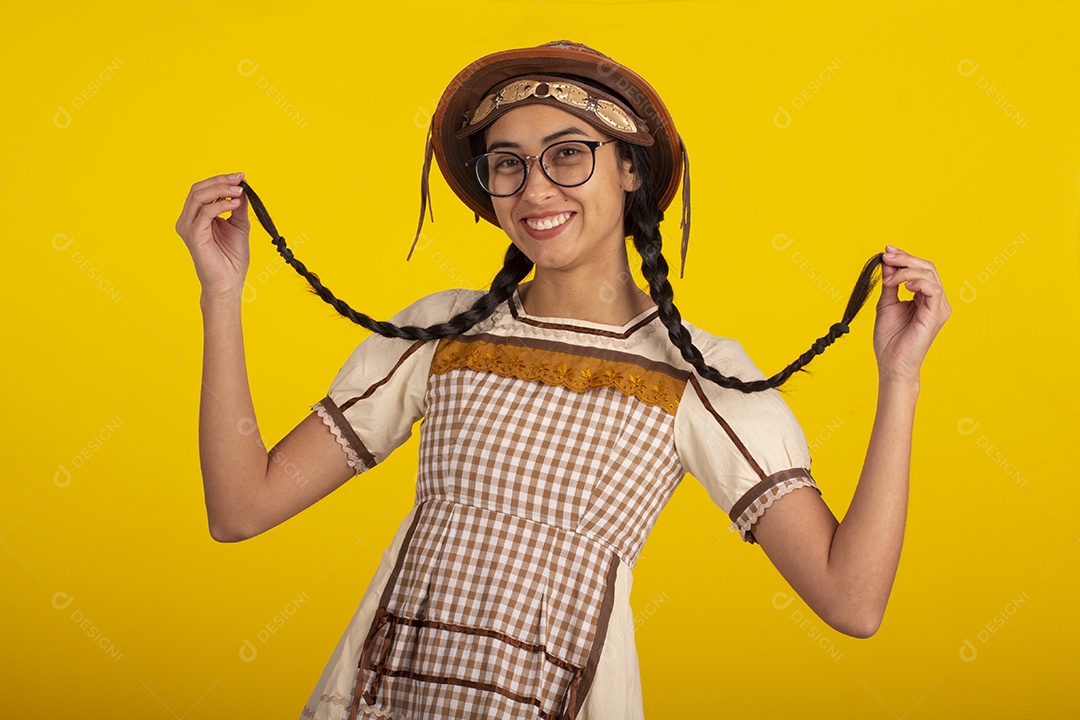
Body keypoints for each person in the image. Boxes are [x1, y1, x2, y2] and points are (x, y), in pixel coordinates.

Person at [174, 40, 950, 720]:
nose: (535, 189)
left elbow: (852, 601)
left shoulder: (695, 376)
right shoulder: (443, 333)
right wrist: (221, 296)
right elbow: (241, 509)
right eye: (507, 164)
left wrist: (900, 380)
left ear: (630, 171)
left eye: (568, 153)